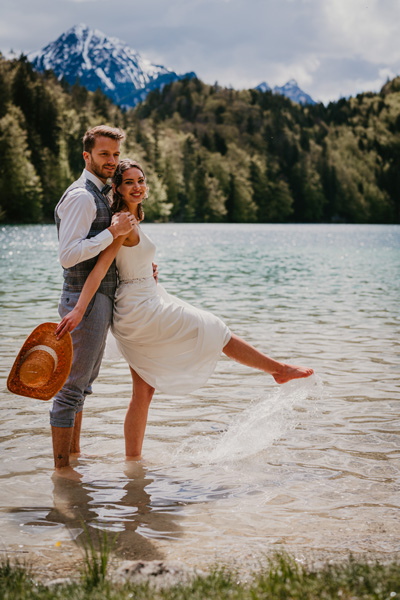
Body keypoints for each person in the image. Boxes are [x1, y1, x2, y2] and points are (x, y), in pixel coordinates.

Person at [56, 159, 314, 460]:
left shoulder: (133, 217)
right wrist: (78, 310)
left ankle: (133, 464)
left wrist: (144, 268)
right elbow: (100, 269)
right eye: (129, 182)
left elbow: (124, 261)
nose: (137, 186)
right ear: (117, 188)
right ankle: (279, 370)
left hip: (145, 298)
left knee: (143, 391)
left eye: (140, 180)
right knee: (214, 328)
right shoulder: (123, 221)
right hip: (139, 310)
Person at [51, 125, 138, 477]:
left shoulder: (102, 193)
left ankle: (74, 456)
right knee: (71, 388)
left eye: (116, 155)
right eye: (105, 154)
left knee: (83, 385)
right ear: (86, 156)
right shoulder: (82, 197)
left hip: (96, 298)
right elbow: (68, 256)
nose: (112, 161)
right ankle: (62, 471)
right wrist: (111, 232)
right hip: (81, 299)